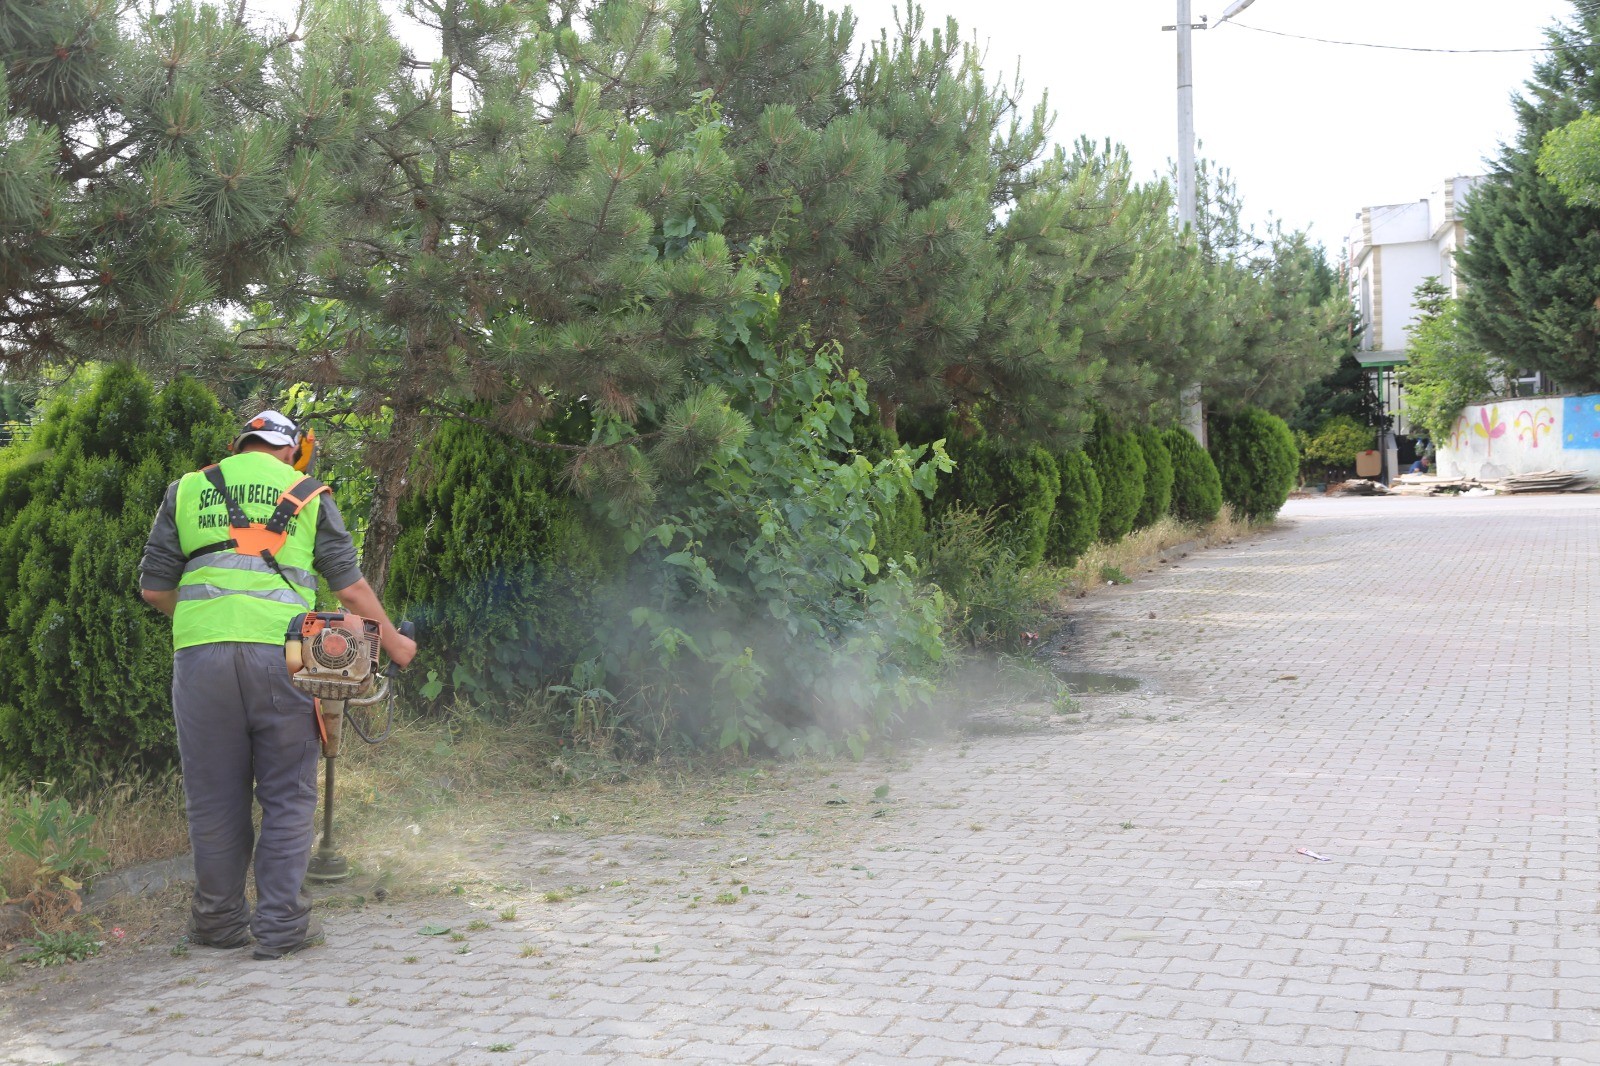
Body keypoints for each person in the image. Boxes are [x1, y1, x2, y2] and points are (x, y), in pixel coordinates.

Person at [140, 410, 416, 960]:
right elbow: (351, 592)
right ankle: (280, 928)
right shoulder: (309, 492)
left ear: (239, 445)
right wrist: (397, 645)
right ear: (292, 451)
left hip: (200, 661)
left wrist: (210, 622)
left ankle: (218, 924)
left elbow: (154, 589)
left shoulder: (187, 490)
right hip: (284, 659)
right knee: (288, 795)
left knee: (214, 797)